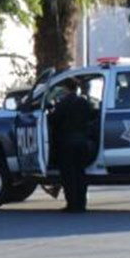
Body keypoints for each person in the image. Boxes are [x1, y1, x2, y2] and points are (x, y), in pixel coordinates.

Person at [49, 78, 99, 212]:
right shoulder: (84, 103)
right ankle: (81, 204)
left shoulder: (63, 104)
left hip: (66, 144)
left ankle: (72, 205)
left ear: (66, 89)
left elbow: (53, 120)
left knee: (69, 176)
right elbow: (92, 116)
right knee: (80, 174)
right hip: (82, 143)